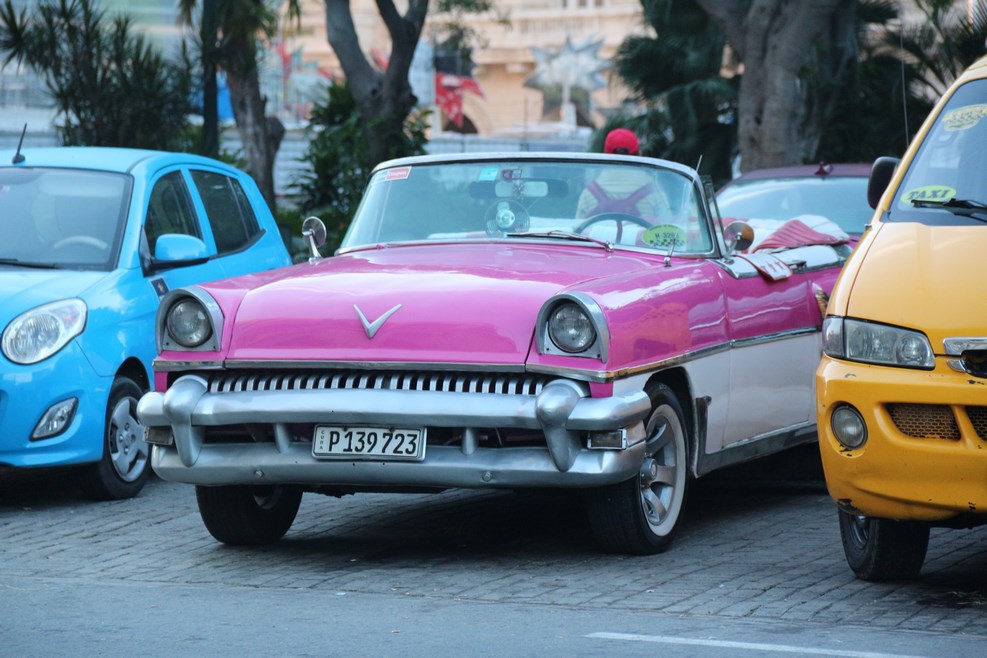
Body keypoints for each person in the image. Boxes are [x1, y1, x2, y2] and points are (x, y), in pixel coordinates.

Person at [576, 129, 675, 244]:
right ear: (639, 154)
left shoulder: (588, 193)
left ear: (605, 155)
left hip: (597, 252)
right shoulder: (655, 191)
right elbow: (669, 229)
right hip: (642, 253)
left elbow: (578, 232)